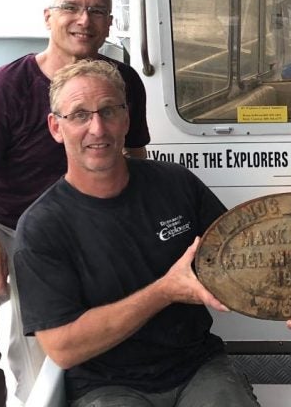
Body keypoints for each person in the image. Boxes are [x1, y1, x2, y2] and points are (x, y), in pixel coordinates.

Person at [0, 0, 150, 407]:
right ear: (47, 16)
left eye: (97, 10)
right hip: (14, 225)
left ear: (110, 24)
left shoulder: (125, 82)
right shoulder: (7, 87)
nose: (84, 19)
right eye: (71, 7)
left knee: (51, 360)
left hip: (92, 223)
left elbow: (137, 162)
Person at [13, 59, 260, 407]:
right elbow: (63, 348)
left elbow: (249, 262)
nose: (97, 128)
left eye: (109, 111)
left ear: (127, 119)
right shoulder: (42, 227)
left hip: (197, 368)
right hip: (106, 386)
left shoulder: (176, 183)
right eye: (80, 115)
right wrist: (164, 291)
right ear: (56, 127)